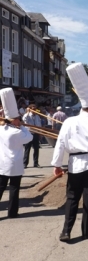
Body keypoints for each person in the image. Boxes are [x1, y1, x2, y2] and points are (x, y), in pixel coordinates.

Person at [51, 62, 88, 242]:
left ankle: (66, 231)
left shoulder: (68, 122)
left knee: (72, 199)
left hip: (74, 165)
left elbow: (60, 144)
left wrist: (57, 165)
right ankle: (86, 230)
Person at [0, 88, 33, 218]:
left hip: (2, 163)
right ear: (14, 120)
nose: (20, 120)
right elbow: (29, 138)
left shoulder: (2, 130)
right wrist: (24, 127)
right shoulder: (17, 132)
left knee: (1, 188)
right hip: (15, 164)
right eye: (18, 119)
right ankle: (12, 213)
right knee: (14, 189)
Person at [22, 104, 42, 168]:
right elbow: (24, 120)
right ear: (30, 109)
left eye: (35, 109)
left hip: (36, 134)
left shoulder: (37, 116)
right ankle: (25, 163)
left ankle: (36, 163)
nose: (34, 110)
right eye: (33, 109)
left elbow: (39, 124)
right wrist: (27, 112)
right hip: (29, 133)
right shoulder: (27, 115)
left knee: (36, 149)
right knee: (27, 149)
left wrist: (40, 133)